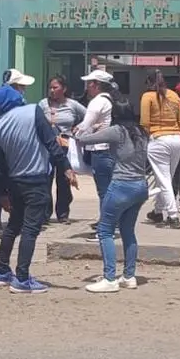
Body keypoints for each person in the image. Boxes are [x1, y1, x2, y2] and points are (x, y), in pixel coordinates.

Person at [0, 82, 74, 294]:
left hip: (14, 182)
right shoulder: (32, 111)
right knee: (30, 229)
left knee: (13, 225)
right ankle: (22, 278)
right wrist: (65, 167)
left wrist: (1, 193)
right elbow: (51, 142)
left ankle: (2, 271)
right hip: (36, 180)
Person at [76, 96, 151, 293]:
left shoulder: (117, 131)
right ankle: (129, 276)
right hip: (140, 185)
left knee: (105, 230)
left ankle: (109, 278)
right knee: (128, 231)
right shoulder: (142, 132)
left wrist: (90, 128)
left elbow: (82, 139)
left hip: (121, 184)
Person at [0, 68, 35, 238]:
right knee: (8, 185)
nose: (24, 89)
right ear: (15, 85)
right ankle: (6, 222)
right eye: (22, 85)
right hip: (11, 148)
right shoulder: (14, 100)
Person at [38, 75, 86, 224]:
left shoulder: (73, 105)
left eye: (55, 87)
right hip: (47, 147)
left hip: (65, 147)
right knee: (46, 179)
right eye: (50, 88)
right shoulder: (43, 104)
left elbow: (88, 117)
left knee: (64, 179)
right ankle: (44, 214)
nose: (52, 90)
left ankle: (63, 213)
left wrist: (78, 128)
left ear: (64, 89)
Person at [75, 69, 117, 239]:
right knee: (108, 190)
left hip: (100, 149)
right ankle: (109, 222)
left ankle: (105, 229)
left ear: (97, 85)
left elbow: (84, 126)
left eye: (89, 83)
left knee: (104, 192)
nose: (87, 87)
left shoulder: (97, 102)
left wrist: (74, 134)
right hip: (109, 149)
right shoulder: (110, 100)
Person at [140, 70, 180, 230]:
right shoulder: (174, 95)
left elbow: (145, 123)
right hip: (176, 138)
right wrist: (177, 134)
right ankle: (158, 211)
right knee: (166, 178)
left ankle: (173, 215)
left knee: (164, 179)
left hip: (158, 139)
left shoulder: (147, 96)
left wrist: (147, 139)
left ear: (148, 82)